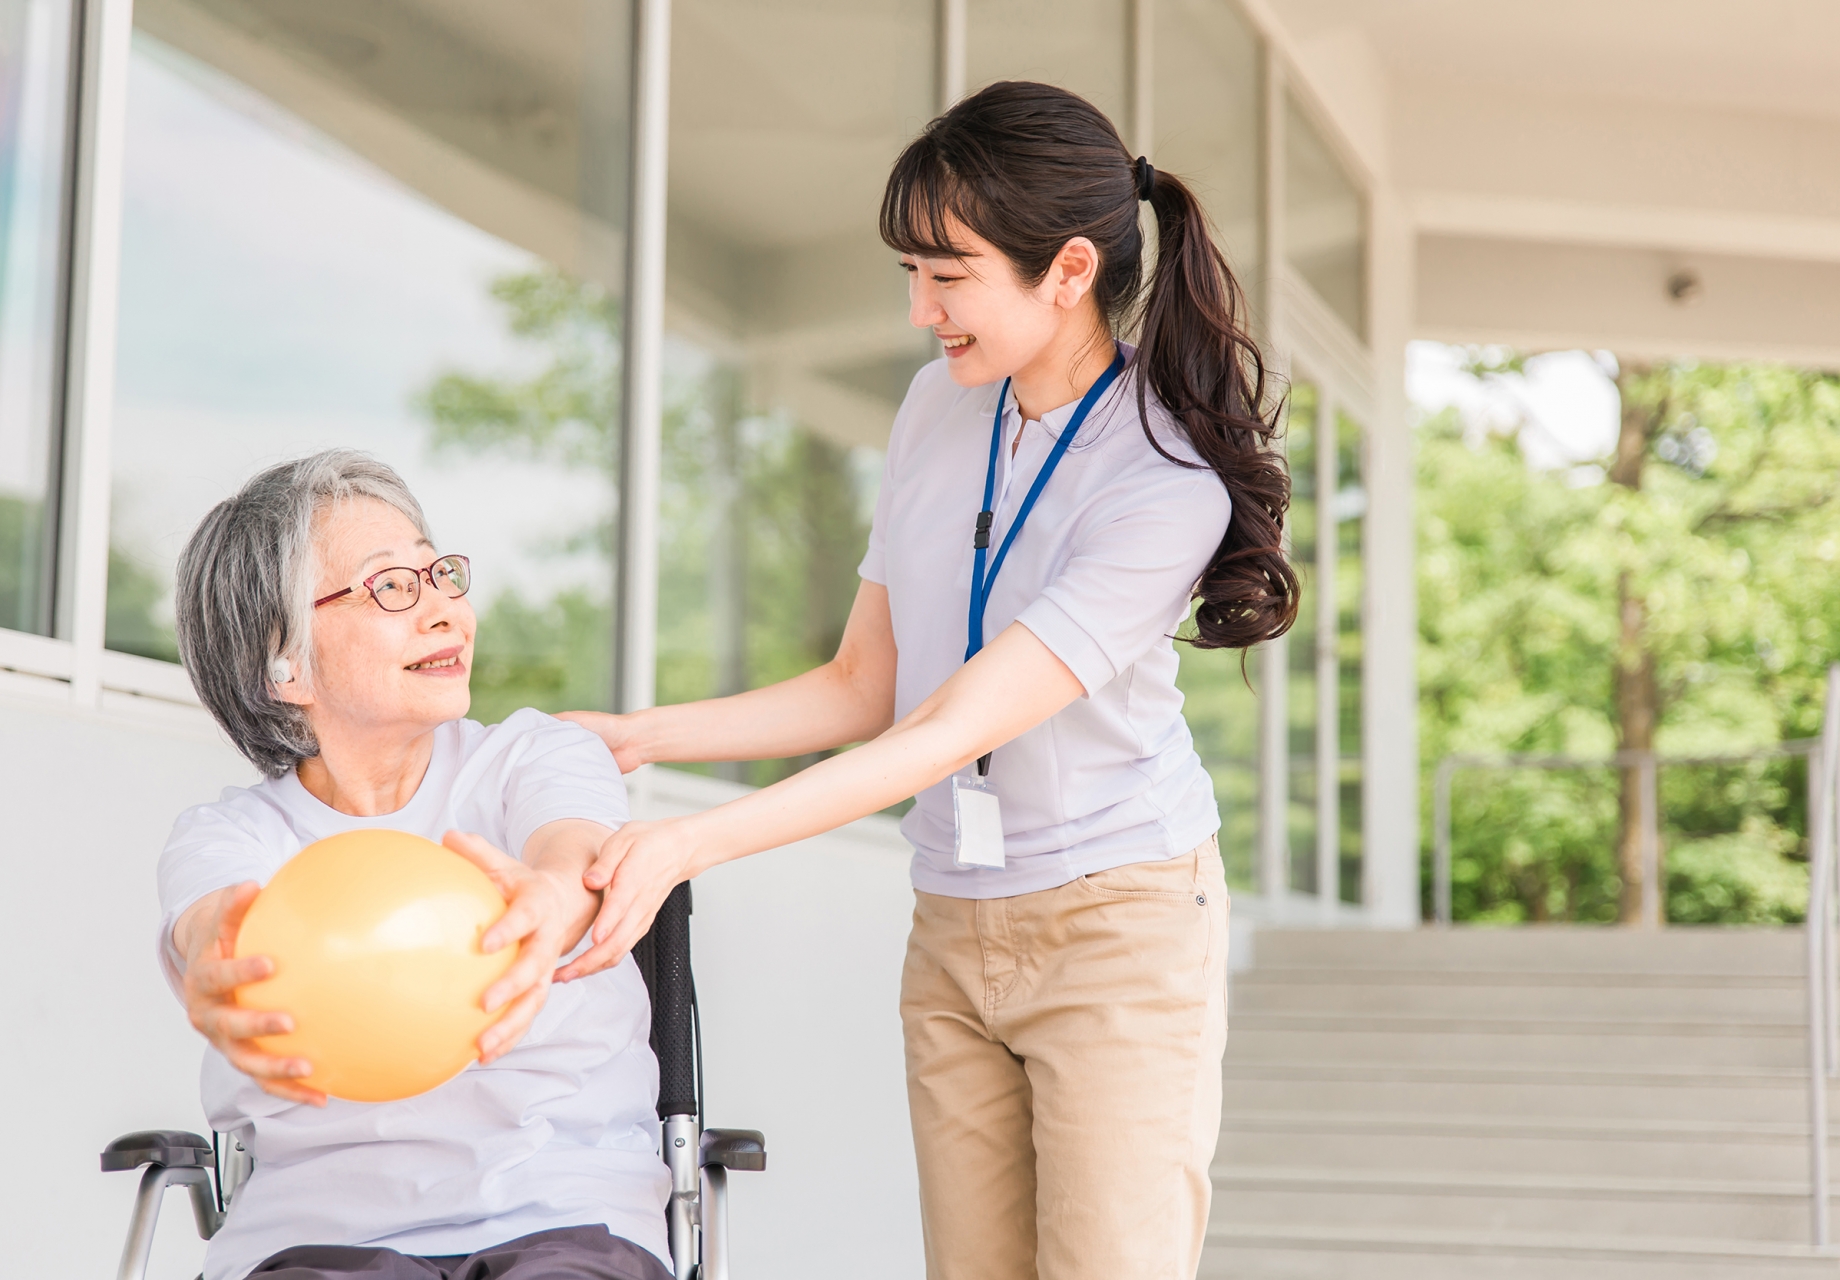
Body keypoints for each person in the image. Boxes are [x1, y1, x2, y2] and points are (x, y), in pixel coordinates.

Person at [556, 82, 1297, 1280]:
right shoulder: (936, 407)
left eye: (947, 277)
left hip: (1118, 924)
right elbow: (865, 682)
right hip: (952, 920)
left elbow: (947, 726)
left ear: (1065, 271)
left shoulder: (1164, 482)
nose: (918, 310)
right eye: (910, 272)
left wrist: (686, 843)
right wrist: (641, 736)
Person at [158, 451, 672, 1280]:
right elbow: (211, 921)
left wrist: (551, 897)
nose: (442, 610)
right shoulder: (231, 836)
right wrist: (220, 962)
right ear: (283, 663)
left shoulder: (534, 757)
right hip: (322, 1236)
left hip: (563, 1209)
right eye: (391, 586)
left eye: (441, 575)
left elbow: (574, 848)